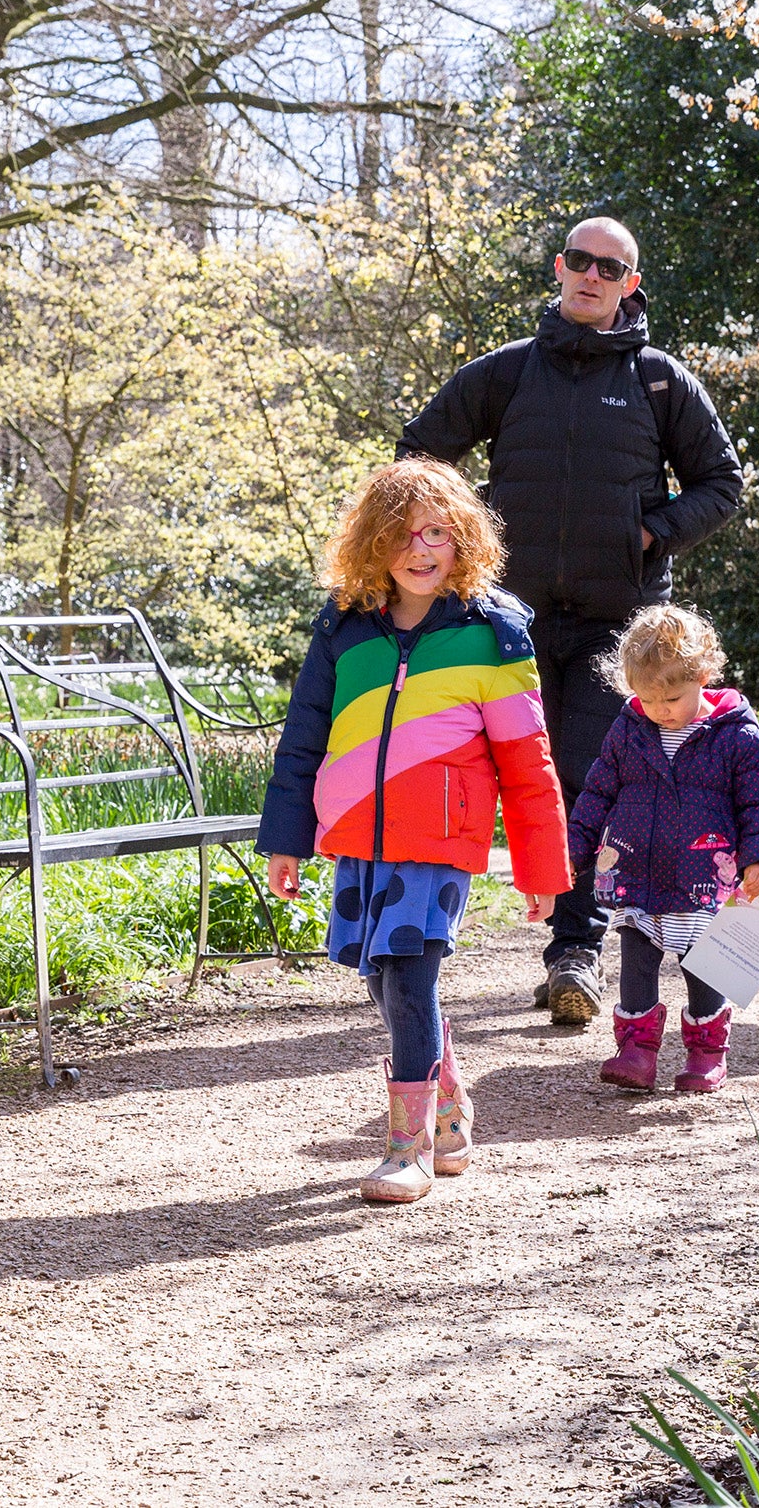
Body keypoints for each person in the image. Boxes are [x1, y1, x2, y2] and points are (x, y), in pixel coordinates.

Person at [397, 216, 745, 1027]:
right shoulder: (508, 374)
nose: (592, 275)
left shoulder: (660, 380)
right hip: (505, 622)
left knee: (586, 783)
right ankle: (419, 950)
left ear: (630, 283)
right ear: (560, 268)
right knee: (489, 783)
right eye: (580, 261)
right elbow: (418, 457)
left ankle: (574, 954)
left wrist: (652, 530)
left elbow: (721, 483)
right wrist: (464, 541)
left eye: (611, 266)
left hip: (611, 628)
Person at [257, 460, 570, 1204]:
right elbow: (303, 738)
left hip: (438, 837)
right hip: (358, 836)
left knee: (409, 972)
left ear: (463, 540)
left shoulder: (492, 633)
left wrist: (542, 868)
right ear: (373, 543)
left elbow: (528, 761)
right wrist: (286, 838)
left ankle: (410, 1146)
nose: (420, 548)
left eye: (437, 532)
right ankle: (449, 1103)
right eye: (402, 534)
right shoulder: (344, 626)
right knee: (379, 978)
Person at [565, 606, 759, 1094]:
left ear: (703, 677)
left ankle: (706, 1051)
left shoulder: (735, 733)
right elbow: (598, 792)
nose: (660, 709)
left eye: (672, 697)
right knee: (637, 958)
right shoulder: (629, 728)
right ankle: (636, 1050)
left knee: (703, 963)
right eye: (647, 698)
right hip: (636, 872)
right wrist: (572, 851)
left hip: (703, 875)